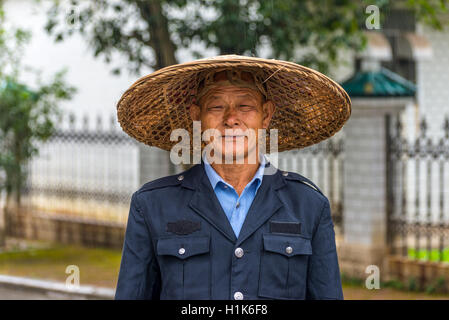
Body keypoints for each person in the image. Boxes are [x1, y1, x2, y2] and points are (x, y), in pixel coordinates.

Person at [114, 55, 351, 300]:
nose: (230, 119)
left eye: (245, 106)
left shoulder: (308, 206)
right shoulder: (153, 205)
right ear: (197, 116)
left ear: (266, 115)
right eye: (216, 107)